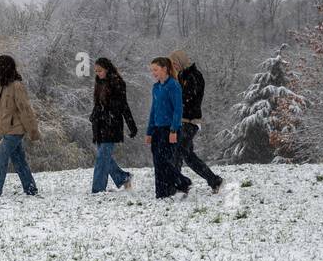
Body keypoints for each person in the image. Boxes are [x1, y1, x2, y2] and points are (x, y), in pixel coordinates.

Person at [0, 54, 40, 196]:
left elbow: (25, 110)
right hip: (5, 130)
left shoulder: (17, 86)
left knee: (1, 159)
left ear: (4, 66)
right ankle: (30, 189)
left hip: (15, 130)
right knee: (19, 162)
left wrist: (33, 131)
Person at [168, 49, 224, 194]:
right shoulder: (181, 75)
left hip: (191, 121)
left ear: (181, 60)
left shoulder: (194, 76)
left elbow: (188, 97)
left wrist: (175, 100)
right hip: (183, 120)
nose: (174, 66)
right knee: (188, 156)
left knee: (177, 152)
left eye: (175, 62)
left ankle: (177, 185)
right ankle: (214, 180)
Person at [145, 57, 191, 199]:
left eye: (155, 69)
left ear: (164, 69)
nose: (153, 72)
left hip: (169, 129)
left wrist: (173, 130)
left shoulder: (174, 86)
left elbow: (178, 110)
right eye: (152, 70)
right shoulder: (156, 87)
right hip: (157, 130)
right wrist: (149, 131)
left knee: (163, 161)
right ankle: (161, 193)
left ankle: (183, 183)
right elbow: (153, 110)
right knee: (157, 162)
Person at [89, 58, 137, 193]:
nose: (98, 73)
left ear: (107, 69)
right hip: (99, 125)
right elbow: (98, 104)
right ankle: (123, 177)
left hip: (112, 124)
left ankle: (98, 190)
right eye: (96, 71)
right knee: (103, 156)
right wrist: (95, 114)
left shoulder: (118, 83)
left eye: (100, 70)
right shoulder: (99, 82)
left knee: (101, 158)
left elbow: (123, 105)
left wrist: (131, 125)